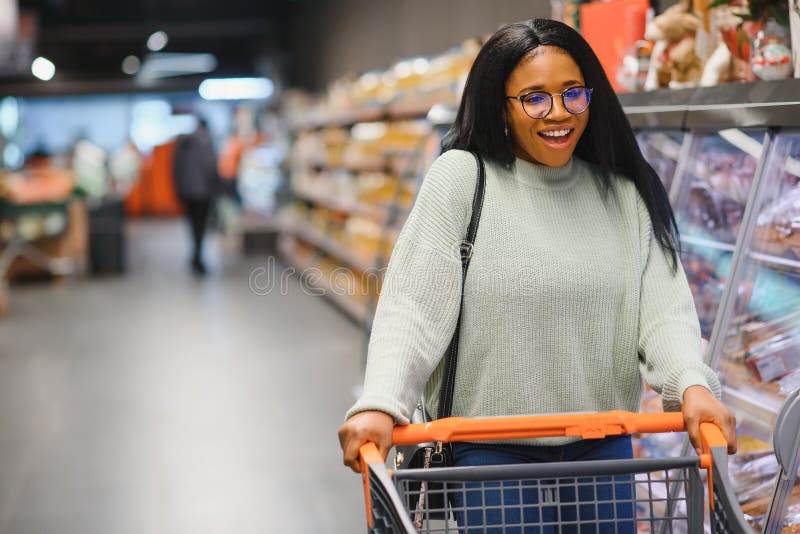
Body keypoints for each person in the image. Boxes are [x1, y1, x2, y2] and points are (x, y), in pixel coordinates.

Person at [338, 18, 738, 532]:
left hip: (606, 449)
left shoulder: (622, 192)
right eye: (534, 98)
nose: (558, 114)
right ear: (500, 107)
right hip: (489, 457)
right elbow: (413, 307)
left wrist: (691, 386)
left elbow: (664, 310)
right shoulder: (463, 179)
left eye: (573, 94)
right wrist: (381, 404)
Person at [172, 117, 218, 275]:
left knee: (192, 225)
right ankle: (198, 257)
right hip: (203, 192)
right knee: (201, 225)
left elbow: (174, 169)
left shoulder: (181, 144)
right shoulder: (206, 142)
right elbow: (210, 167)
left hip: (187, 192)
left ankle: (195, 255)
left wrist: (179, 190)